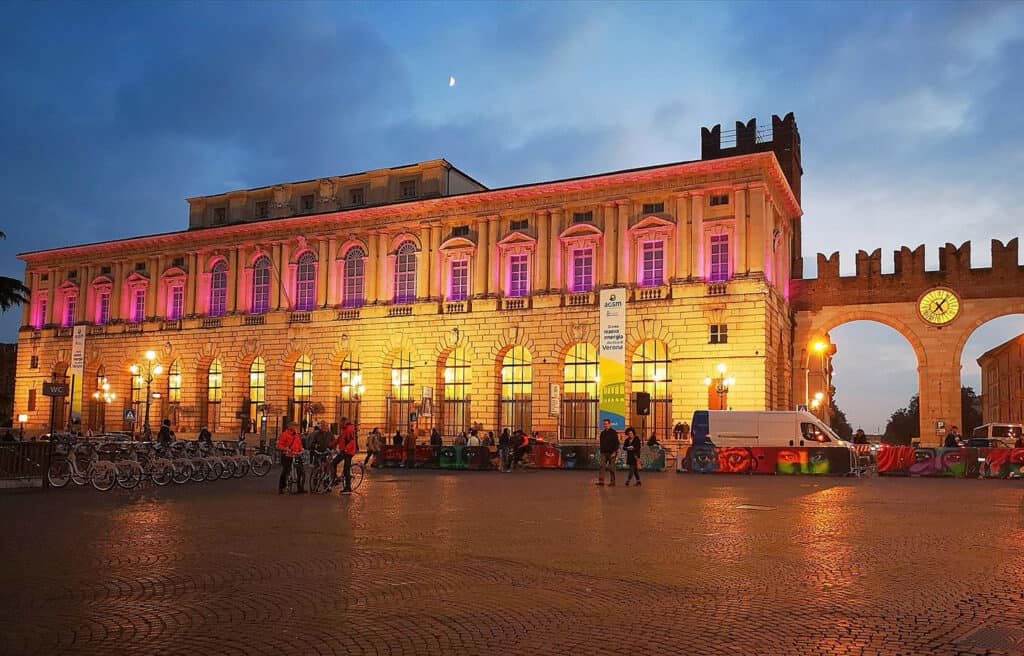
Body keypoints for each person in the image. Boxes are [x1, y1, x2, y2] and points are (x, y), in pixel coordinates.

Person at [329, 417, 357, 494]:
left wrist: (346, 449)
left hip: (348, 452)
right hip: (343, 451)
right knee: (333, 463)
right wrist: (330, 445)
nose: (339, 424)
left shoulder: (349, 429)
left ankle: (348, 488)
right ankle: (334, 479)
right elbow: (339, 439)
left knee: (346, 469)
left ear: (343, 422)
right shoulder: (343, 430)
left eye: (340, 423)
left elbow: (351, 441)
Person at [276, 421, 304, 494]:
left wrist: (301, 449)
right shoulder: (284, 434)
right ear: (290, 427)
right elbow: (279, 445)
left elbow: (299, 444)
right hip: (287, 455)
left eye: (296, 426)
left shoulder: (296, 435)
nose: (296, 427)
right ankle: (282, 487)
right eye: (295, 426)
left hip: (296, 455)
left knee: (301, 471)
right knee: (285, 471)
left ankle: (300, 487)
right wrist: (285, 449)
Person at [597, 419, 619, 486]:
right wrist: (601, 451)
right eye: (604, 424)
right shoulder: (602, 433)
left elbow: (616, 443)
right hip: (604, 452)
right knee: (601, 466)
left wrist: (615, 452)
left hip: (612, 452)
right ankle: (601, 481)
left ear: (609, 424)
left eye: (606, 424)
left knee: (611, 467)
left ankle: (612, 482)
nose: (605, 425)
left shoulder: (613, 432)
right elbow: (601, 443)